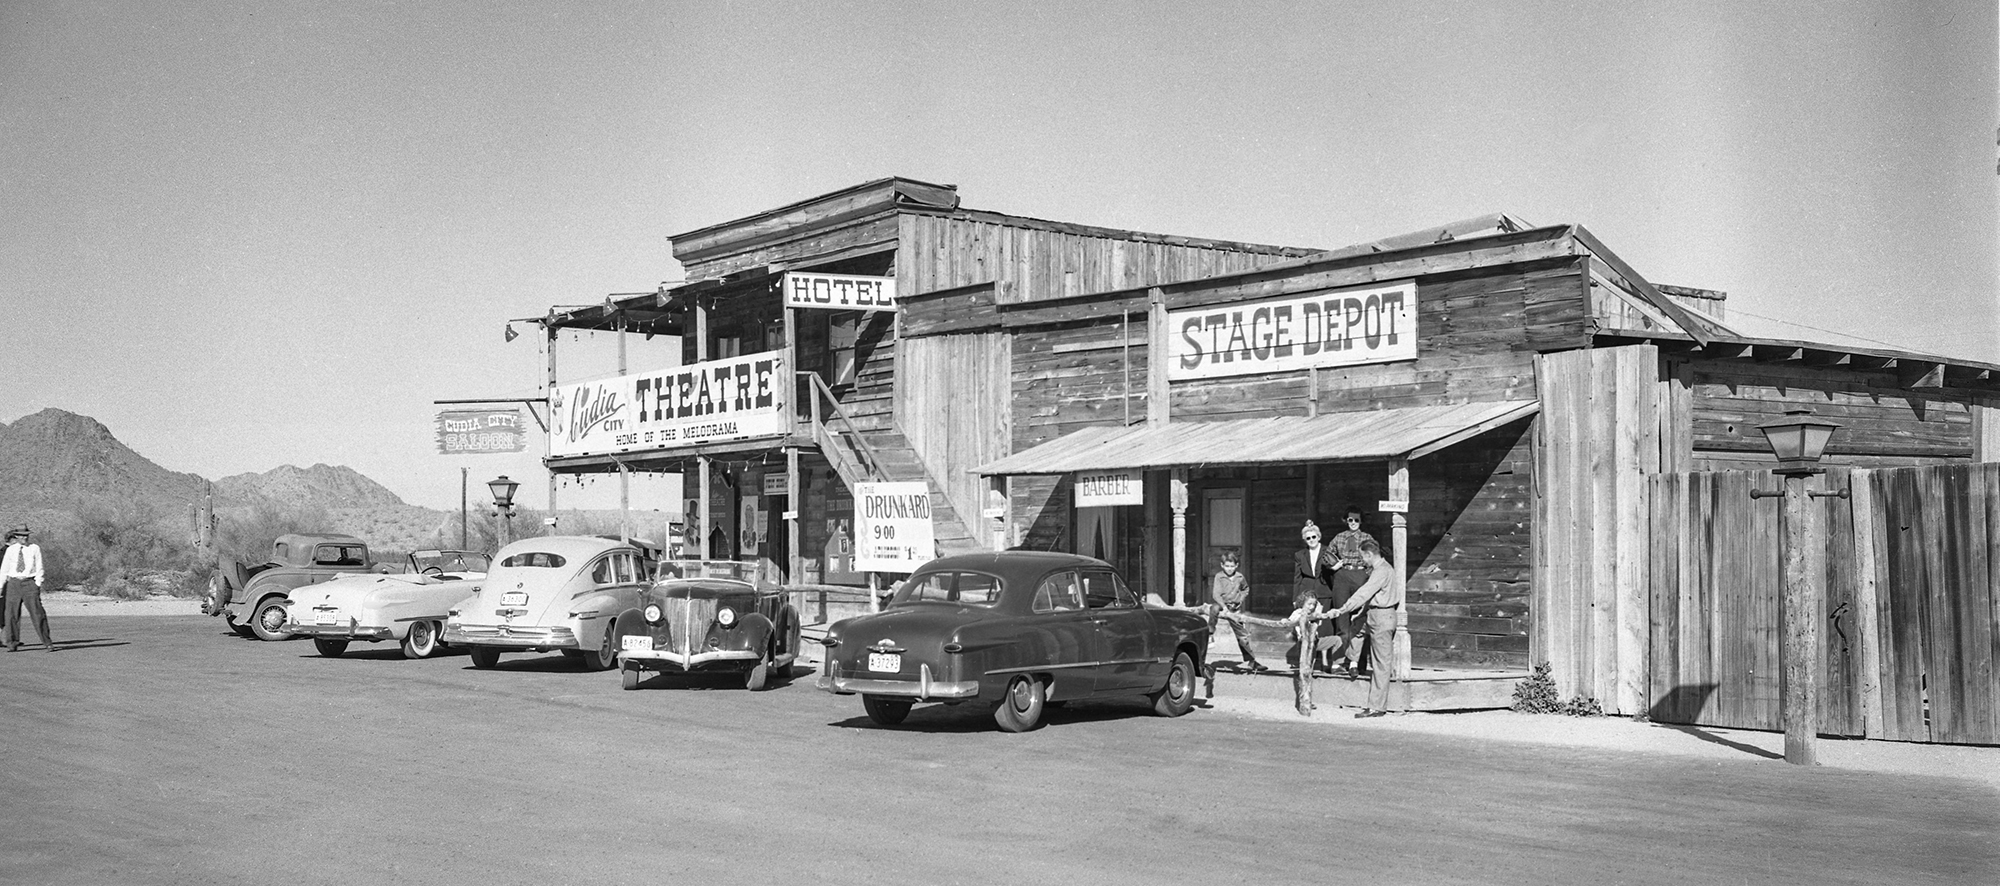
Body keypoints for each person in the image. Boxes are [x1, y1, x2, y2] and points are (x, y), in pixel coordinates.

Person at [1326, 538, 1400, 718]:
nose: (1362, 561)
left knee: (1380, 663)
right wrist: (1359, 613)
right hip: (1373, 613)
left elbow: (1364, 592)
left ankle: (1377, 707)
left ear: (1369, 554)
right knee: (1356, 629)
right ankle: (1351, 661)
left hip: (1382, 616)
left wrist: (1343, 609)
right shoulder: (1379, 569)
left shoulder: (1381, 571)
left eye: (1363, 557)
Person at [1325, 506, 1377, 674]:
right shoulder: (1339, 538)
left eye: (1356, 520)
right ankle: (1338, 662)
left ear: (1361, 521)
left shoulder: (1366, 537)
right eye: (1350, 520)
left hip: (1360, 575)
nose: (1353, 523)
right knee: (1341, 617)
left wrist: (1365, 573)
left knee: (1359, 618)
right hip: (1342, 576)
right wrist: (1334, 566)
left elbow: (1375, 556)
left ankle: (1357, 663)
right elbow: (1327, 555)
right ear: (1346, 520)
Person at [1291, 520, 1338, 672]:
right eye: (1308, 538)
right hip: (1307, 594)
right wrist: (1296, 598)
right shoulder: (1300, 555)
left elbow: (1333, 571)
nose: (1311, 540)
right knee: (1308, 625)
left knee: (1324, 626)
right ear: (1304, 540)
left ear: (1319, 537)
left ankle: (1325, 661)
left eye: (1313, 537)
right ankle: (1309, 660)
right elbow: (1297, 577)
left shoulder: (1326, 551)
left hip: (1324, 591)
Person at [1207, 549, 1264, 673]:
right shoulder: (1219, 576)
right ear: (1222, 565)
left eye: (1232, 566)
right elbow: (1216, 594)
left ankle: (1252, 661)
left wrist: (1241, 599)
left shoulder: (1239, 577)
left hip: (1234, 608)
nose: (1229, 569)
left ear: (1236, 566)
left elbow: (1245, 589)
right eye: (1226, 566)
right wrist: (1224, 607)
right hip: (1222, 605)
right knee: (1214, 609)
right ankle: (1210, 634)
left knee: (1242, 636)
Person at [2, 525, 53, 652]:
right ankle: (12, 643)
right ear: (16, 536)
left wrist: (38, 583)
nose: (24, 537)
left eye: (26, 535)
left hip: (29, 583)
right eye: (21, 535)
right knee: (11, 614)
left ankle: (47, 642)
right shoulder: (11, 550)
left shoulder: (34, 548)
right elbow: (4, 569)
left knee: (37, 613)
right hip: (14, 584)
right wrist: (1, 586)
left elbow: (39, 566)